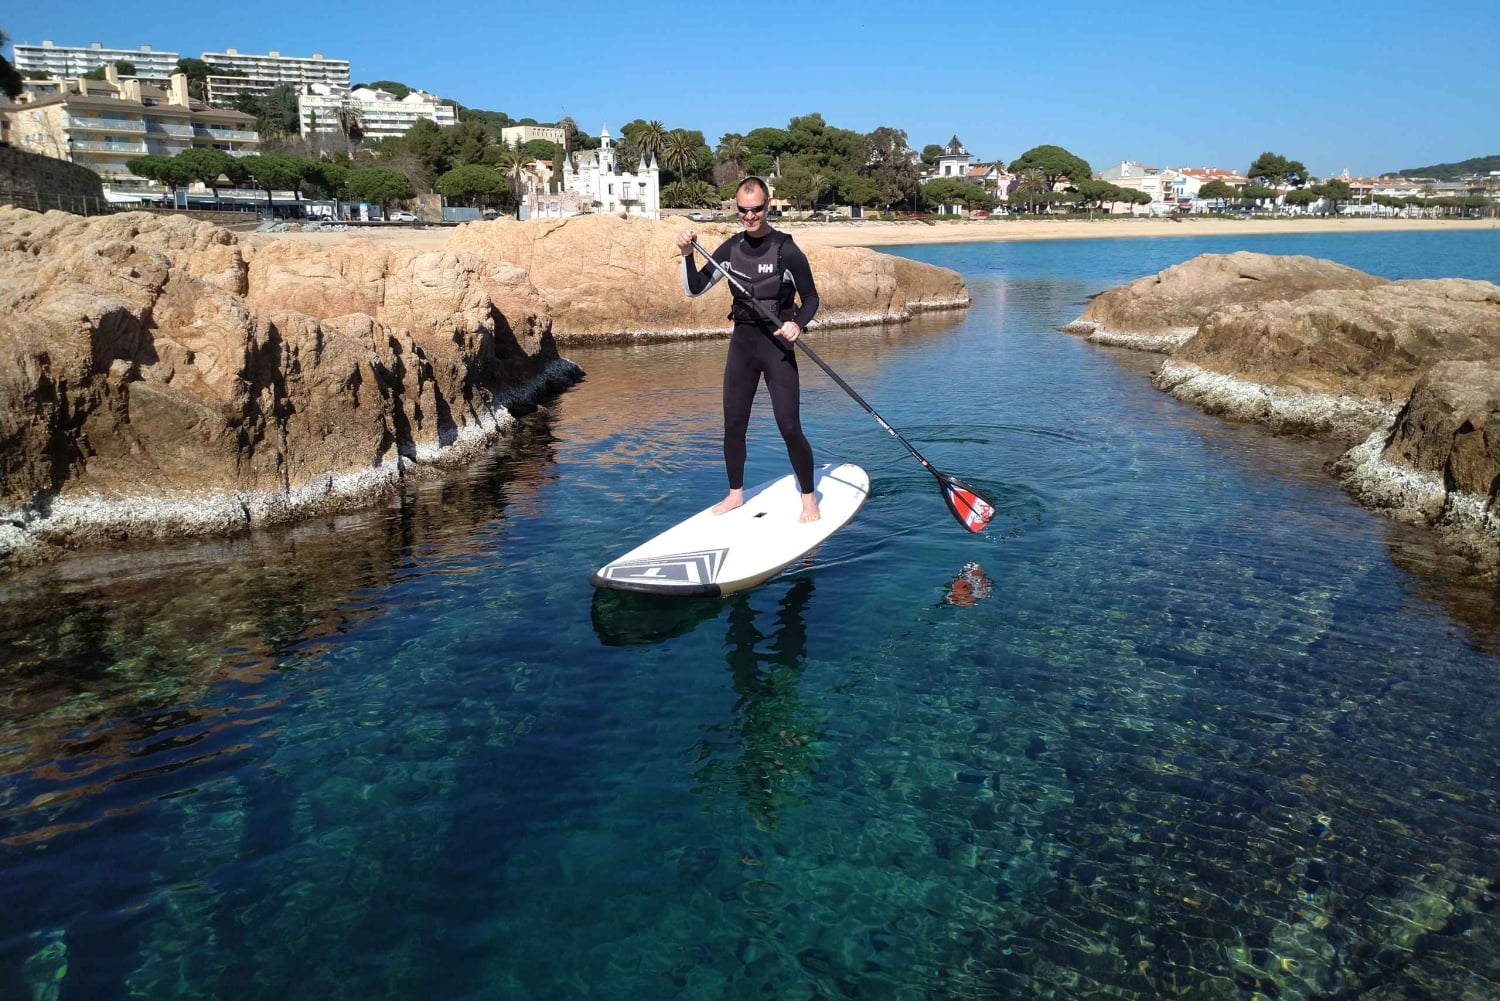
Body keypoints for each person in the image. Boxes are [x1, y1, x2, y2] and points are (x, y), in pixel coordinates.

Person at [677, 177, 823, 522]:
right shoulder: (730, 250)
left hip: (777, 346)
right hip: (743, 344)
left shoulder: (787, 250)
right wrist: (685, 254)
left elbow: (812, 298)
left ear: (768, 206)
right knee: (733, 425)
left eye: (757, 209)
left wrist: (797, 323)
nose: (750, 216)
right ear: (736, 208)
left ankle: (808, 497)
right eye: (743, 210)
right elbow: (694, 289)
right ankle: (735, 494)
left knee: (789, 426)